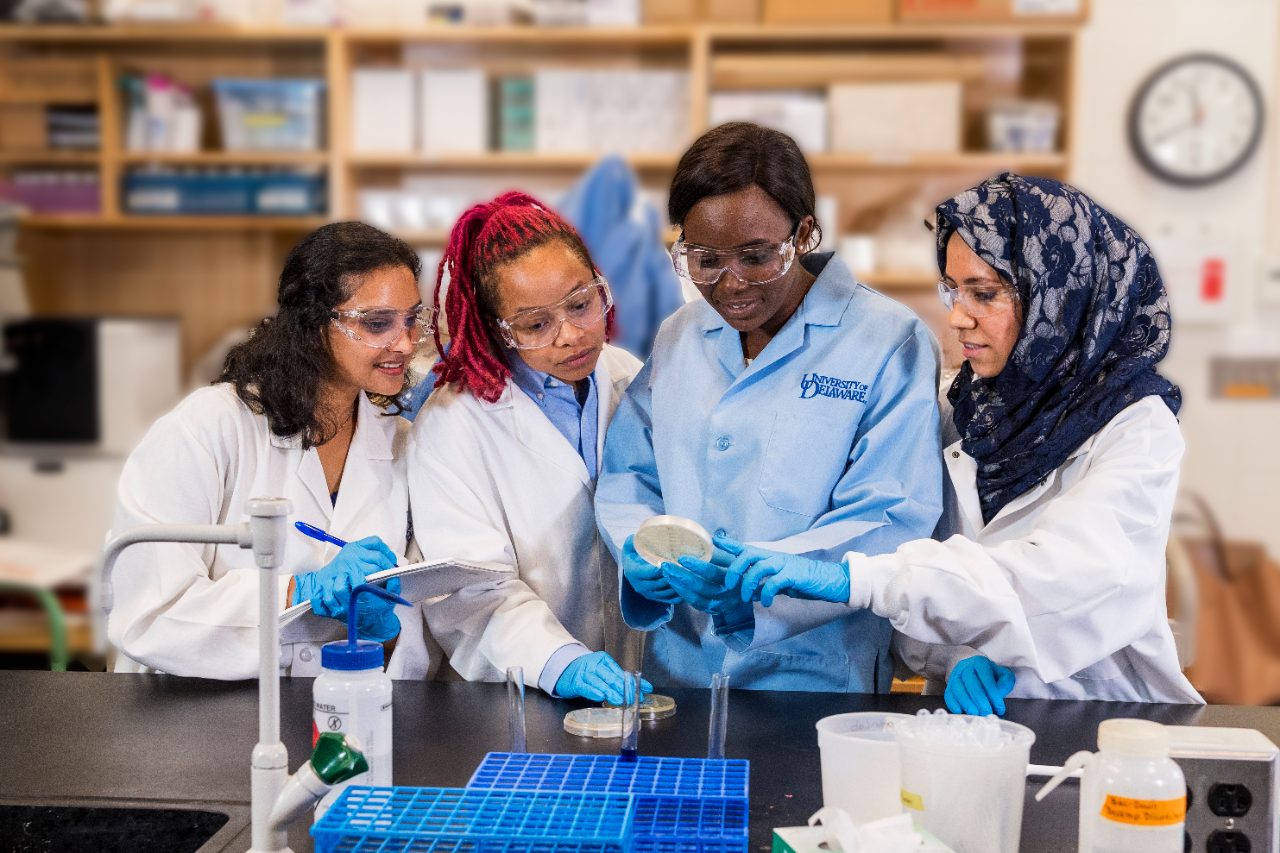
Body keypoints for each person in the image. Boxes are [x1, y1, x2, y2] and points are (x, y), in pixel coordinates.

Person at [717, 173, 1203, 710]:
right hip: (964, 717)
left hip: (1098, 708)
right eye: (952, 288)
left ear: (1060, 298)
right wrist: (955, 656)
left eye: (986, 293)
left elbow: (1072, 576)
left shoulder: (1135, 424)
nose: (956, 317)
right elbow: (924, 560)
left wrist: (855, 578)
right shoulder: (961, 406)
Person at [594, 122, 944, 692]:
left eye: (756, 257)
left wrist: (760, 579)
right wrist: (638, 545)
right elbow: (632, 472)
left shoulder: (888, 341)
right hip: (680, 667)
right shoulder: (681, 334)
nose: (731, 285)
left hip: (816, 674)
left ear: (802, 232)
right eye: (705, 259)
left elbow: (891, 513)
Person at [108, 222, 432, 680]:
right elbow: (150, 614)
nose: (404, 344)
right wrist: (296, 592)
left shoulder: (398, 439)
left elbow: (415, 619)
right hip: (187, 714)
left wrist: (387, 626)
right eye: (377, 323)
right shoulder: (209, 428)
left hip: (335, 711)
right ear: (314, 324)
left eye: (411, 319)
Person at [407, 192, 650, 705]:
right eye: (536, 325)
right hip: (516, 698)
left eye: (582, 305)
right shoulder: (453, 425)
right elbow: (468, 591)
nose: (571, 336)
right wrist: (561, 662)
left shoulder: (628, 377)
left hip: (638, 685)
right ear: (496, 330)